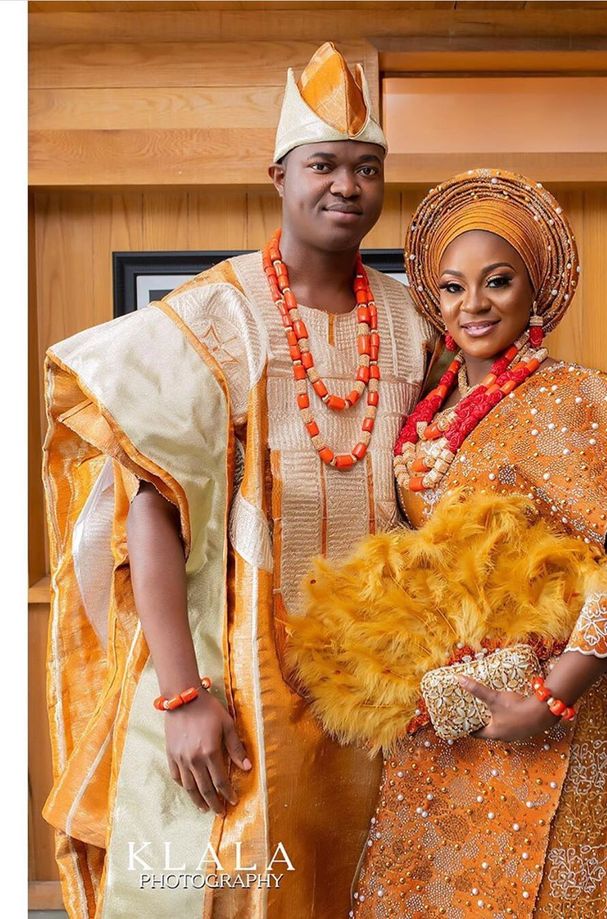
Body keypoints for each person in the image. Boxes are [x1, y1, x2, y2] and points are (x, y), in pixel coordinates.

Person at [40, 42, 436, 919]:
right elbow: (151, 512)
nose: (346, 185)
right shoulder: (215, 317)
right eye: (324, 164)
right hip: (235, 681)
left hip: (377, 690)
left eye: (367, 168)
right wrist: (180, 695)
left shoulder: (415, 321)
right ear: (279, 174)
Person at [286, 169, 607, 918]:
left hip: (549, 710)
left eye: (496, 282)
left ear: (534, 289)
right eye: (451, 288)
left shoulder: (580, 402)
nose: (472, 305)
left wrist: (548, 700)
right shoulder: (425, 408)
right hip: (444, 709)